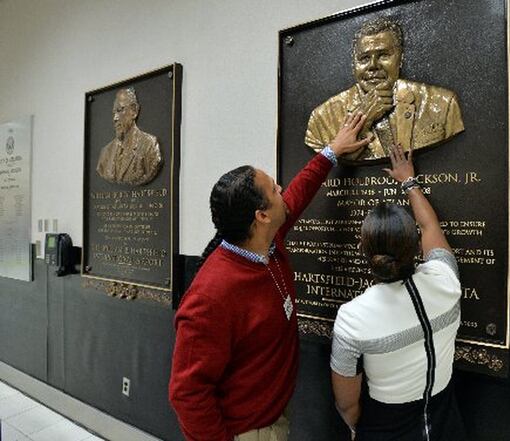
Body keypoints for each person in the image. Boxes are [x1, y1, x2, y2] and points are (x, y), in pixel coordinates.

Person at [169, 113, 371, 441]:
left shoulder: (267, 240)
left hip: (275, 412)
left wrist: (331, 151)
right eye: (274, 189)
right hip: (248, 431)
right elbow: (186, 393)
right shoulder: (210, 296)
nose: (281, 189)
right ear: (261, 216)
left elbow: (297, 195)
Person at [330, 143, 466, 440]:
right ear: (416, 247)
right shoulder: (446, 282)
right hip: (445, 422)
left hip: (386, 427)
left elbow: (347, 403)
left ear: (363, 251)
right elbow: (430, 226)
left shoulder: (352, 318)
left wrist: (359, 429)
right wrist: (409, 181)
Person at [305, 17, 464, 163]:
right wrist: (363, 121)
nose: (373, 65)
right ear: (354, 64)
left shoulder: (443, 104)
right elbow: (323, 170)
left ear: (400, 58)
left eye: (383, 55)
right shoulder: (321, 119)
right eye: (364, 58)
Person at [96, 87, 162, 185]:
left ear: (134, 111)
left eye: (120, 110)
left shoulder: (149, 146)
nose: (115, 118)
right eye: (114, 112)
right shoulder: (105, 153)